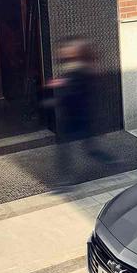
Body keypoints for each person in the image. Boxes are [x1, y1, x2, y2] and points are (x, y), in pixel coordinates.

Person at [48, 38, 111, 186]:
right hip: (75, 115)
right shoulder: (75, 67)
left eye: (69, 48)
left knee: (75, 147)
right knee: (79, 147)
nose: (64, 51)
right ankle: (111, 161)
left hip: (79, 116)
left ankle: (67, 178)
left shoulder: (83, 69)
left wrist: (62, 88)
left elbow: (77, 91)